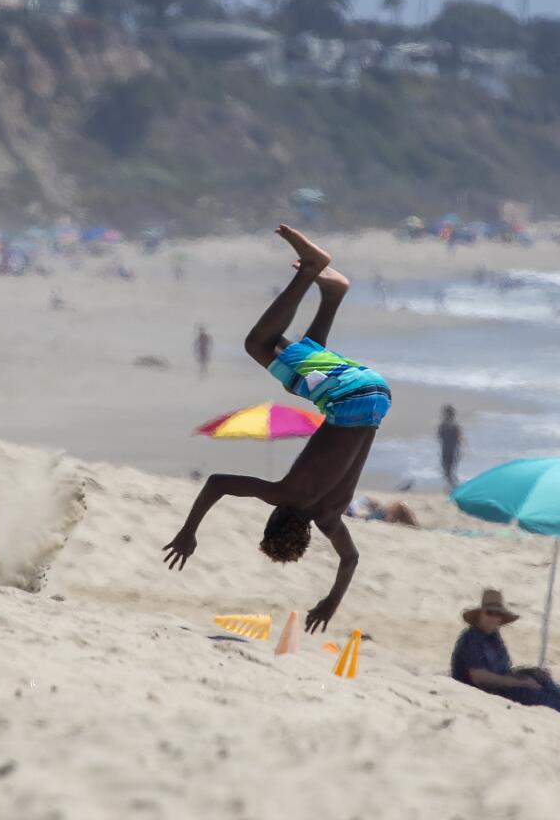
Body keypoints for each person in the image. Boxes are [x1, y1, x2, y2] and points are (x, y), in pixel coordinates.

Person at [163, 226, 392, 634]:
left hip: (375, 398)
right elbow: (216, 482)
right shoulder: (282, 494)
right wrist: (188, 532)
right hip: (348, 398)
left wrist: (331, 602)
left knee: (295, 368)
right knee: (258, 344)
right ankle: (310, 271)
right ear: (273, 518)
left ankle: (331, 293)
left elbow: (350, 560)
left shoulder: (330, 517)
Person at [450, 589, 560, 717]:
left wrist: (529, 672)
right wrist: (517, 681)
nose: (493, 618)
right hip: (480, 692)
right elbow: (479, 677)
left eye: (497, 614)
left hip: (497, 687)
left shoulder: (494, 638)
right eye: (489, 613)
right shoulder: (472, 638)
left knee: (541, 679)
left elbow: (503, 671)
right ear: (480, 615)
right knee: (532, 691)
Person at [438, 405, 466, 491]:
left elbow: (439, 437)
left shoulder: (442, 425)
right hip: (454, 451)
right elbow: (460, 439)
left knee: (447, 472)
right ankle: (454, 488)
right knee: (450, 472)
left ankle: (454, 488)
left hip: (446, 451)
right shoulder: (455, 425)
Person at [345, 495, 419, 527]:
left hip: (377, 511)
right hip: (370, 516)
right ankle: (416, 528)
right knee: (401, 505)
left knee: (401, 507)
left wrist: (371, 502)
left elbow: (375, 503)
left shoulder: (351, 502)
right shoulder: (344, 506)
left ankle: (414, 526)